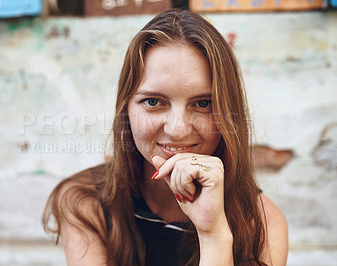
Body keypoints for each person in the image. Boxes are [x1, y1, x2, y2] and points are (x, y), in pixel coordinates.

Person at [42, 9, 288, 266]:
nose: (178, 129)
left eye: (203, 103)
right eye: (153, 101)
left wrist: (214, 235)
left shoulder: (263, 222)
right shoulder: (85, 202)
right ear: (125, 108)